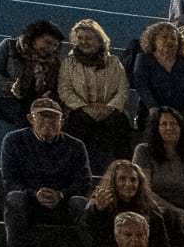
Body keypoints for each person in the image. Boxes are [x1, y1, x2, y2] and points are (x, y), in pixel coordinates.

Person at [0, 98, 92, 247]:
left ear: (62, 122)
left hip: (63, 204)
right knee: (14, 199)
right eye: (42, 117)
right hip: (30, 202)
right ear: (30, 119)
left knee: (81, 203)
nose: (48, 122)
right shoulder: (13, 140)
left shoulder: (76, 146)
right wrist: (34, 194)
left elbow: (84, 182)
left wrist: (61, 195)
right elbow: (10, 180)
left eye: (53, 118)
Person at [56, 17, 132, 166]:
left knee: (119, 122)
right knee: (78, 121)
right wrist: (85, 108)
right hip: (81, 109)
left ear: (99, 40)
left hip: (108, 109)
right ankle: (76, 168)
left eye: (89, 38)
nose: (83, 42)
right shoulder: (69, 63)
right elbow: (65, 90)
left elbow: (123, 89)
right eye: (80, 38)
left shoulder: (114, 62)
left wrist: (109, 108)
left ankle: (124, 168)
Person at [129, 21, 184, 145]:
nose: (169, 41)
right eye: (164, 37)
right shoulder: (143, 59)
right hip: (152, 109)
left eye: (173, 38)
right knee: (153, 123)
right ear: (154, 40)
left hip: (181, 110)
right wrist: (154, 107)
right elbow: (142, 86)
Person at [134, 105, 184, 222]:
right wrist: (176, 212)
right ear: (156, 128)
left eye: (173, 123)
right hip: (154, 208)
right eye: (164, 124)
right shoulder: (143, 151)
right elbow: (145, 190)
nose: (169, 128)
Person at [0, 18, 63, 124]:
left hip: (36, 104)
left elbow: (57, 87)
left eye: (55, 45)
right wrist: (10, 86)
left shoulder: (54, 62)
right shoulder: (10, 46)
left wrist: (50, 95)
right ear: (34, 37)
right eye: (47, 42)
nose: (50, 48)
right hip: (6, 98)